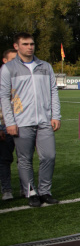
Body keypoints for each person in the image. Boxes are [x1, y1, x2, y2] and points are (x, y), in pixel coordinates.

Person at [0, 33, 61, 207]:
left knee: (49, 156)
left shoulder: (45, 66)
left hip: (44, 121)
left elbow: (53, 92)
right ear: (17, 46)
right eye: (25, 44)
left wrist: (55, 115)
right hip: (21, 122)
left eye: (32, 44)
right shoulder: (8, 69)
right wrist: (10, 122)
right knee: (25, 159)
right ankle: (30, 192)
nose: (30, 47)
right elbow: (4, 97)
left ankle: (45, 191)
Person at [0, 49, 17, 200]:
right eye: (12, 60)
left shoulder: (21, 77)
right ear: (5, 61)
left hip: (23, 124)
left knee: (24, 159)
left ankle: (27, 188)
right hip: (4, 125)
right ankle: (6, 189)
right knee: (4, 159)